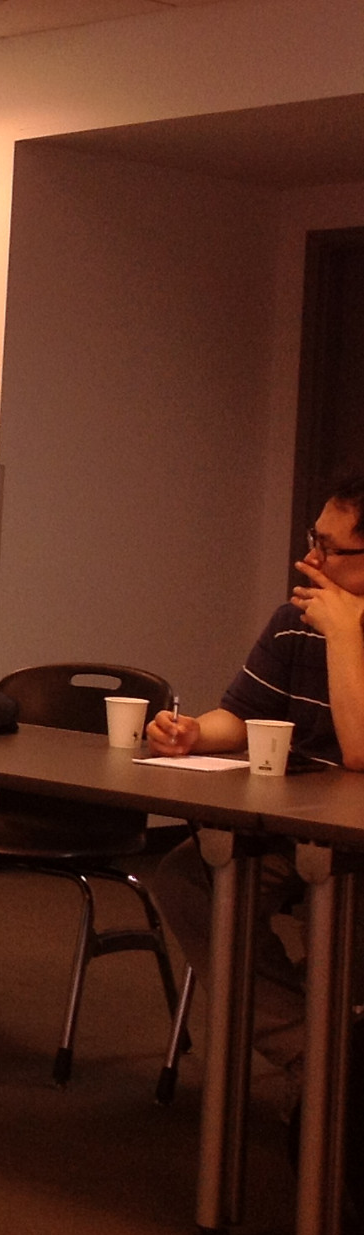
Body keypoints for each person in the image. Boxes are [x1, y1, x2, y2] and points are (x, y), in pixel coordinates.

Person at [147, 475, 364, 1125]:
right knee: (189, 877)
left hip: (357, 843)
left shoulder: (333, 626)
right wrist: (191, 733)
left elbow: (359, 753)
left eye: (329, 549)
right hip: (295, 824)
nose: (309, 560)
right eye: (313, 540)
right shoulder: (294, 621)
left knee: (342, 917)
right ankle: (321, 1060)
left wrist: (346, 637)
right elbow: (242, 715)